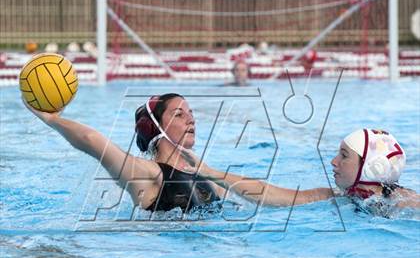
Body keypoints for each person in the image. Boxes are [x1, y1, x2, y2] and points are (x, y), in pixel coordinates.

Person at [23, 93, 224, 212]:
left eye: (191, 113)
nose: (191, 119)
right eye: (179, 115)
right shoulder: (147, 174)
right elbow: (91, 140)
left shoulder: (200, 170)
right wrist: (51, 120)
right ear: (154, 127)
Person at [184, 129, 419, 209]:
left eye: (344, 156)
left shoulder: (402, 201)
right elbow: (269, 193)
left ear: (372, 168)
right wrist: (210, 172)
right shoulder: (335, 196)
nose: (333, 161)